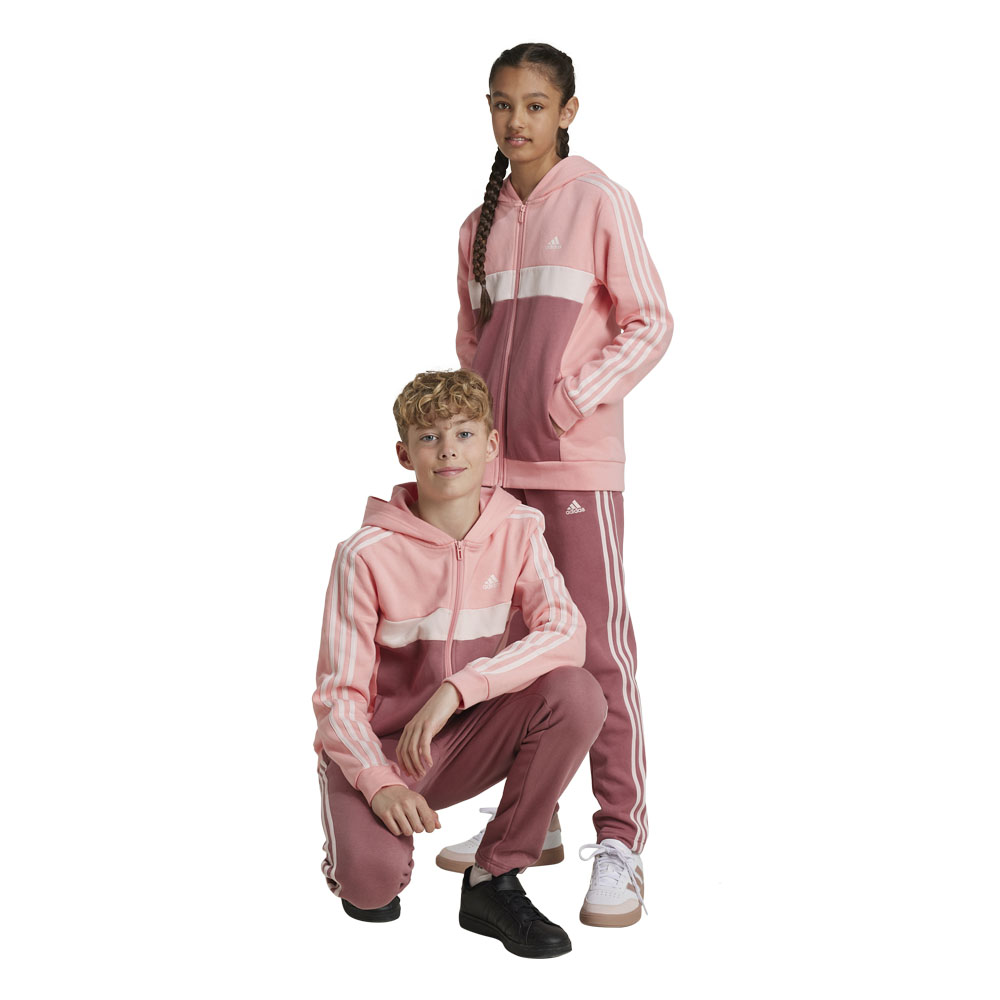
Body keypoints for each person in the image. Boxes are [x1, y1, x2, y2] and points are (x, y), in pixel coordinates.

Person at [443, 42, 674, 927]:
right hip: (496, 479)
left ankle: (621, 841)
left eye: (535, 105)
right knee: (508, 649)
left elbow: (651, 322)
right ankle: (528, 819)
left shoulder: (598, 200)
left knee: (597, 651)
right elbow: (471, 350)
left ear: (568, 112)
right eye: (502, 104)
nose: (517, 121)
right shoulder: (479, 223)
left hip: (575, 470)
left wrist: (570, 400)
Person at [312, 368, 607, 958]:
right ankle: (352, 845)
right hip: (389, 752)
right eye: (429, 437)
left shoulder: (520, 529)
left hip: (473, 733)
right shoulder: (363, 555)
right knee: (370, 890)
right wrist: (377, 783)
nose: (448, 450)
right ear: (405, 454)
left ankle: (493, 877)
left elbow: (564, 631)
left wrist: (458, 689)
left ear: (490, 445)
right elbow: (338, 698)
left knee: (576, 693)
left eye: (464, 434)